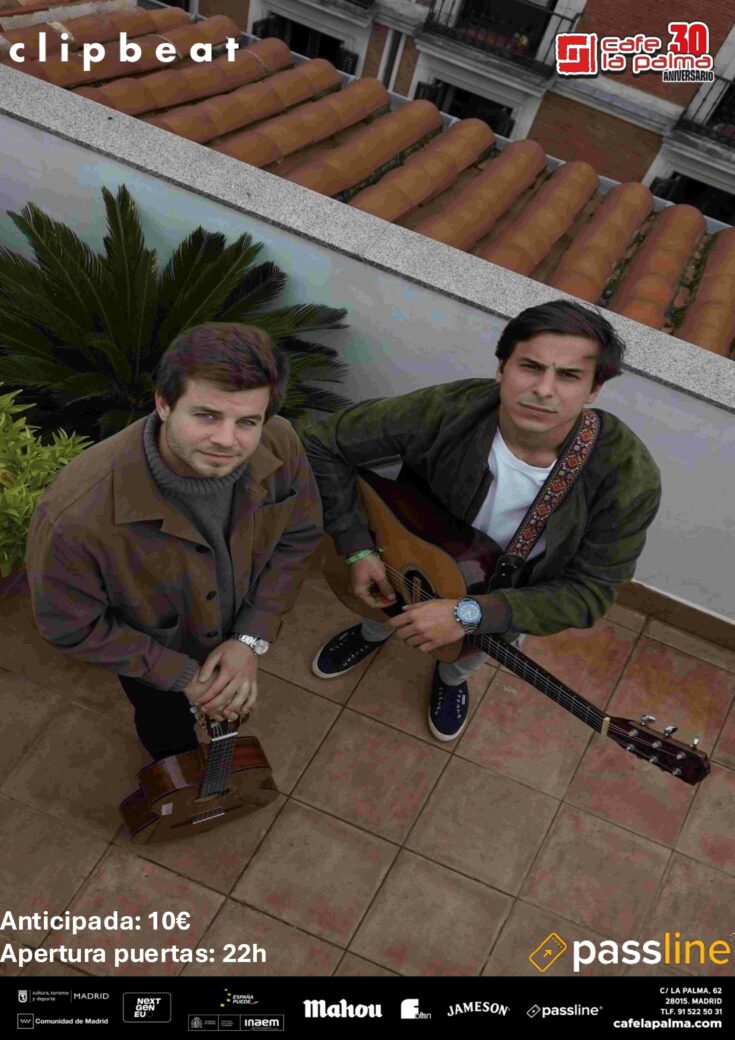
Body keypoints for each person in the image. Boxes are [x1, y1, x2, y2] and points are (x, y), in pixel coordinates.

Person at [301, 300, 661, 742]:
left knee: (467, 655)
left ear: (593, 390)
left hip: (502, 599)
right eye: (530, 366)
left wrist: (468, 613)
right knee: (382, 601)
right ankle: (372, 631)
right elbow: (321, 443)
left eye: (568, 376)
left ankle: (450, 680)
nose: (544, 389)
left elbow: (590, 593)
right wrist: (357, 545)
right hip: (402, 556)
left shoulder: (627, 477)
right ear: (502, 368)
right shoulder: (448, 409)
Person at [26, 324, 323, 761]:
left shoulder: (281, 442)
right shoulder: (74, 518)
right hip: (155, 665)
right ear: (163, 403)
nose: (227, 440)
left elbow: (299, 535)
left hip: (238, 632)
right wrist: (181, 676)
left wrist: (249, 638)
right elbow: (72, 626)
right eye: (207, 415)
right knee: (165, 726)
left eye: (247, 421)